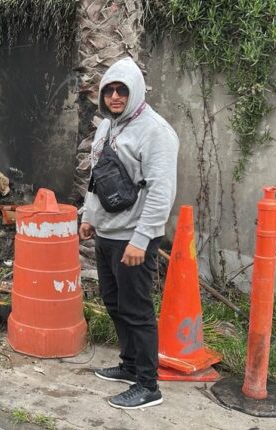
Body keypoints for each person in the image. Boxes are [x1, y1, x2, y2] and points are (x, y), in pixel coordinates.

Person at [79, 57, 179, 409]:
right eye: (110, 90)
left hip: (134, 238)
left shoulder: (156, 132)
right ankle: (130, 364)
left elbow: (160, 192)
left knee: (137, 310)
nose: (116, 97)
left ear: (135, 92)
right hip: (106, 233)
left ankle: (149, 385)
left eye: (123, 90)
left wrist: (141, 239)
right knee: (113, 301)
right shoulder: (108, 126)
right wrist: (89, 217)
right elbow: (96, 177)